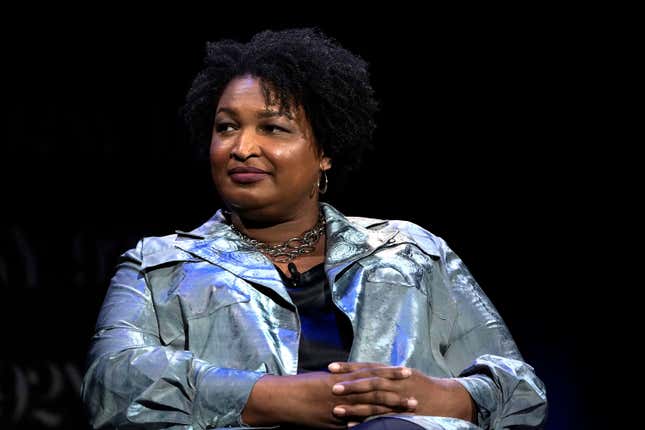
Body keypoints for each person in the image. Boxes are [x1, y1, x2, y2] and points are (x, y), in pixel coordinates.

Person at [80, 28, 547, 430]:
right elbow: (112, 385)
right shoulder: (159, 267)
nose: (242, 147)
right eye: (226, 128)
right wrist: (282, 397)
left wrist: (435, 397)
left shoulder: (412, 253)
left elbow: (521, 390)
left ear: (324, 151)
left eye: (273, 128)